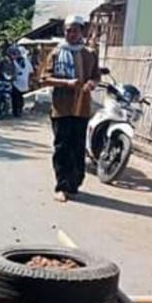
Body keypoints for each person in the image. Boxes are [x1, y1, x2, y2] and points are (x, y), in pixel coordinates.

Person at [41, 15, 100, 203]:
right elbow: (44, 78)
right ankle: (61, 186)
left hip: (82, 109)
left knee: (78, 147)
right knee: (62, 148)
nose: (71, 34)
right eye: (68, 30)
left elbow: (96, 76)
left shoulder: (89, 54)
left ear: (81, 31)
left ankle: (74, 184)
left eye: (75, 30)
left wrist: (91, 83)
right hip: (61, 108)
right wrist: (66, 82)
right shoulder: (56, 53)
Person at [12, 46, 34, 117]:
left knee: (15, 97)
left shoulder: (14, 61)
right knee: (20, 97)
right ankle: (19, 111)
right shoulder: (27, 61)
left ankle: (16, 111)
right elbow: (31, 72)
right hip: (23, 82)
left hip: (16, 82)